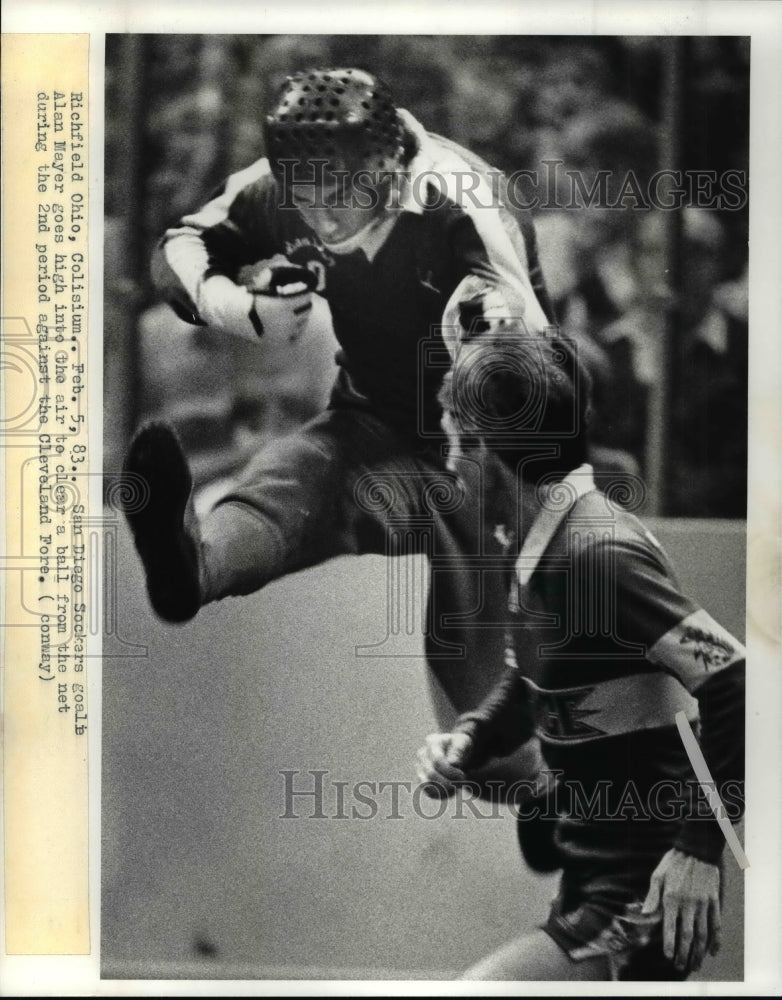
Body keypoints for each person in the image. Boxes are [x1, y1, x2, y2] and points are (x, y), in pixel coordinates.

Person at [124, 67, 555, 720]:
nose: (321, 217)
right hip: (372, 420)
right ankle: (194, 570)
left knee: (482, 740)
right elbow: (180, 243)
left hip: (493, 451)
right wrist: (236, 305)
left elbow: (533, 351)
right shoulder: (272, 188)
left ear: (388, 163)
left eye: (340, 192)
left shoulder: (463, 198)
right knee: (292, 469)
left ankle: (536, 765)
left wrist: (483, 336)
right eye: (303, 195)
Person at [416, 335, 745, 981]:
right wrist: (471, 740)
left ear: (490, 447)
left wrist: (701, 849)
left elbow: (736, 679)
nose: (449, 462)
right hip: (592, 885)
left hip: (638, 899)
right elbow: (534, 677)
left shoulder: (596, 554)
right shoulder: (543, 543)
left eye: (455, 439)